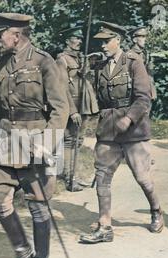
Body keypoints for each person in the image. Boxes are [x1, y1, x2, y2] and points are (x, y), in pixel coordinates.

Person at [0, 11, 69, 258]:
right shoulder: (3, 61)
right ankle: (23, 253)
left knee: (37, 206)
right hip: (7, 141)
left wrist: (47, 143)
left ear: (16, 35)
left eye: (1, 35)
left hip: (36, 141)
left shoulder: (43, 61)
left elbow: (61, 108)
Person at [79, 22, 164, 244]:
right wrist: (85, 67)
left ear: (118, 40)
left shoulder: (134, 63)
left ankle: (156, 210)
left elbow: (144, 98)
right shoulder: (98, 65)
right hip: (108, 128)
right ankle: (105, 226)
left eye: (107, 41)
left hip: (134, 130)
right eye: (100, 42)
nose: (103, 45)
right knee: (102, 177)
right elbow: (88, 89)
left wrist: (129, 118)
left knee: (143, 178)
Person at [56, 26, 99, 191]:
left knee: (79, 141)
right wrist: (72, 110)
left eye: (81, 38)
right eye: (76, 38)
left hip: (85, 104)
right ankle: (69, 177)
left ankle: (75, 175)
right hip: (72, 105)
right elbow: (62, 87)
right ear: (67, 41)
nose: (79, 41)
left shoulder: (81, 58)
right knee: (69, 141)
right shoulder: (62, 60)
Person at [128, 26, 157, 100]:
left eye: (146, 36)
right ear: (135, 39)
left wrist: (152, 92)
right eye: (143, 37)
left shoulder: (145, 55)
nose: (146, 39)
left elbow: (149, 75)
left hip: (146, 94)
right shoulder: (129, 56)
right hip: (134, 95)